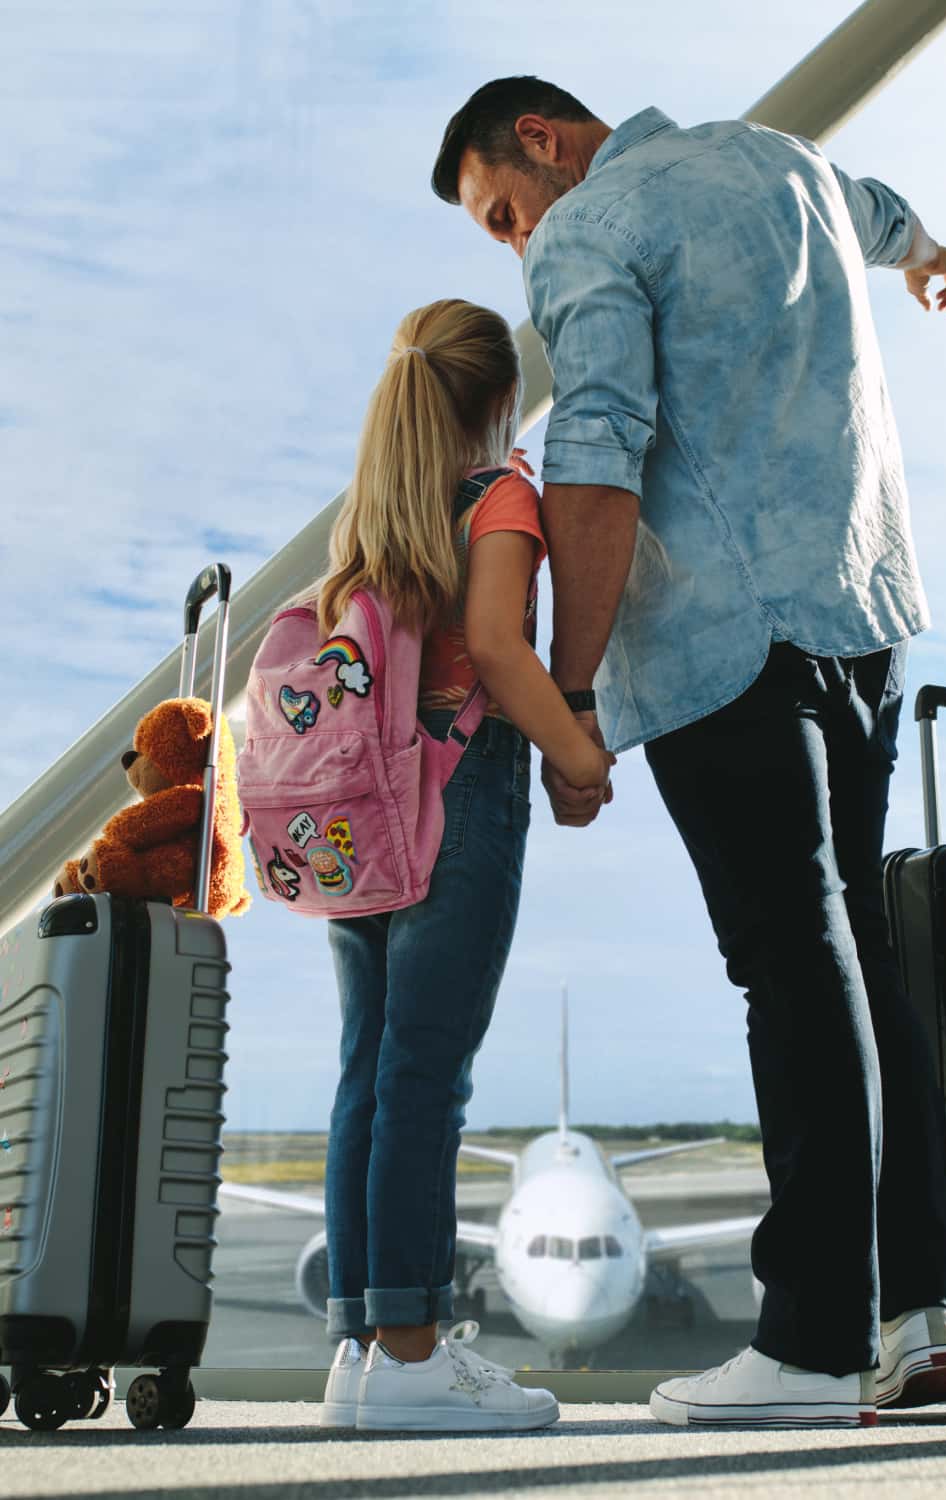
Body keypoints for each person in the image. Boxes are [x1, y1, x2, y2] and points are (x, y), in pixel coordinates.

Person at [433, 79, 946, 1429]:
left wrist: (573, 694)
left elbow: (600, 453)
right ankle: (918, 1316)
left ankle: (805, 1347)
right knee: (858, 959)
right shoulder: (784, 163)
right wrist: (933, 256)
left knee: (788, 962)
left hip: (726, 643)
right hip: (865, 615)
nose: (513, 245)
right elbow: (885, 211)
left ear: (542, 144)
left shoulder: (589, 227)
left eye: (501, 213)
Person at [314, 297, 612, 1432]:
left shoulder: (369, 523)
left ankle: (360, 1349)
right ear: (500, 400)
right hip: (455, 803)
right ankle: (414, 1356)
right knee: (426, 1079)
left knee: (367, 1075)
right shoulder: (499, 495)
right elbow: (496, 644)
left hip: (357, 818)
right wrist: (580, 752)